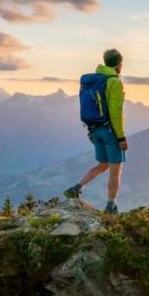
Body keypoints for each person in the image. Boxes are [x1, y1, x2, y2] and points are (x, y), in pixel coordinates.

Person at [63, 48, 128, 213]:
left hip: (94, 129)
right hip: (109, 131)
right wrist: (121, 137)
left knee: (103, 164)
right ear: (119, 64)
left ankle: (77, 187)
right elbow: (115, 113)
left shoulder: (93, 80)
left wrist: (91, 131)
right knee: (115, 169)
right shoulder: (114, 82)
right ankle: (111, 206)